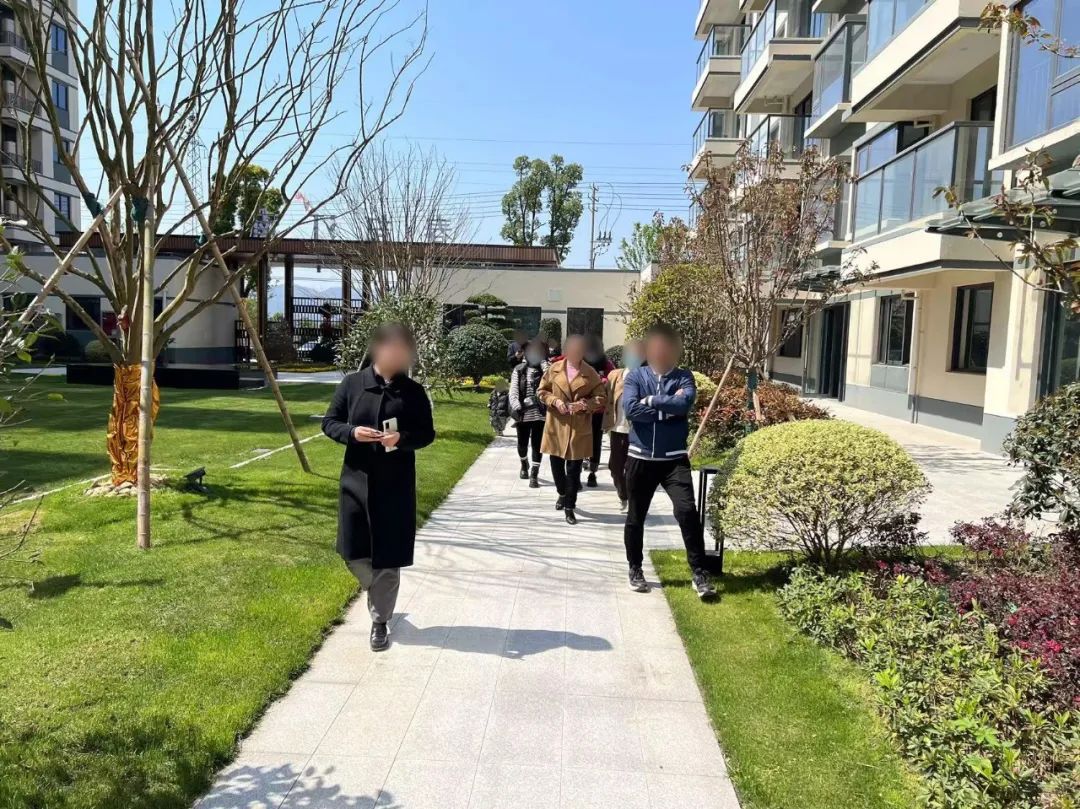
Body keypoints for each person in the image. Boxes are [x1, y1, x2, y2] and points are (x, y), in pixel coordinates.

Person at [322, 323, 436, 651]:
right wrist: (352, 433)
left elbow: (427, 434)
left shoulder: (413, 392)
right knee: (352, 551)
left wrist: (401, 439)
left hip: (395, 484)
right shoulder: (352, 384)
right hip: (356, 480)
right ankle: (377, 590)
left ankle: (380, 621)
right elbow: (329, 422)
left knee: (388, 555)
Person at [622, 323, 716, 599]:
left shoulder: (684, 376)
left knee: (687, 513)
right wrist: (666, 410)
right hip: (640, 457)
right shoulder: (636, 377)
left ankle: (699, 573)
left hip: (674, 460)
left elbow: (684, 405)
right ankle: (635, 568)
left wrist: (650, 401)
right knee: (636, 517)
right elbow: (631, 409)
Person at [538, 334, 607, 525]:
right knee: (556, 465)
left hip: (579, 426)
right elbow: (542, 391)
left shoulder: (590, 372)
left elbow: (601, 398)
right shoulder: (554, 369)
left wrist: (584, 405)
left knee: (574, 469)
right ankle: (561, 493)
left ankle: (570, 506)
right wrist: (555, 401)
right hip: (556, 424)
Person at [603, 339, 643, 511]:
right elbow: (602, 394)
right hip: (618, 427)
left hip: (638, 431)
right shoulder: (615, 375)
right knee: (615, 467)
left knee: (632, 468)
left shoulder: (648, 376)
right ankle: (623, 494)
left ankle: (633, 500)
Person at [509, 338, 549, 487]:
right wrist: (517, 405)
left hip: (540, 413)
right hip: (523, 413)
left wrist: (544, 364)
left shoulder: (545, 369)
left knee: (537, 444)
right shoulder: (519, 369)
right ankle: (524, 464)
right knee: (522, 444)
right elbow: (513, 390)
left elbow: (552, 381)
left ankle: (534, 474)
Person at [583, 335, 616, 489]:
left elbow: (613, 379)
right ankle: (577, 471)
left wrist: (602, 381)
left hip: (598, 410)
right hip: (581, 409)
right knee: (580, 439)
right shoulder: (580, 363)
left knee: (596, 440)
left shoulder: (606, 364)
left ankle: (592, 472)